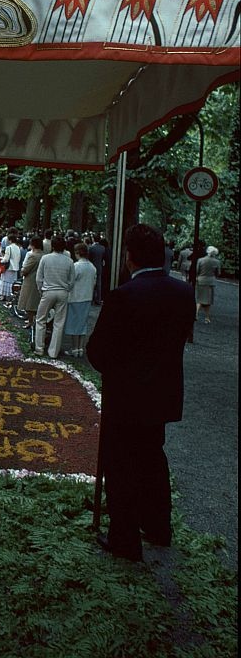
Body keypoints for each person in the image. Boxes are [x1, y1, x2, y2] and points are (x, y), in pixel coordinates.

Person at [86, 224, 195, 562]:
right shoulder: (182, 293)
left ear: (129, 257)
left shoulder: (123, 296)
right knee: (153, 459)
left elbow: (97, 353)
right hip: (162, 393)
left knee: (121, 467)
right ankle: (159, 528)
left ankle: (125, 540)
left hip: (126, 396)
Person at [34, 236, 75, 358]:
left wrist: (41, 290)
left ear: (52, 246)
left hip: (48, 291)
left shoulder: (45, 258)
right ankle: (53, 352)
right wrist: (67, 289)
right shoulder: (69, 261)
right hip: (62, 292)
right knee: (59, 323)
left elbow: (39, 277)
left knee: (41, 319)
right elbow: (72, 281)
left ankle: (39, 348)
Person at [64, 242, 97, 358]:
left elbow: (70, 282)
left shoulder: (76, 266)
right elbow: (94, 283)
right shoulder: (92, 267)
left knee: (73, 324)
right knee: (82, 324)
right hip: (87, 298)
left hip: (75, 297)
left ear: (77, 253)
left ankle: (74, 348)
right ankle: (80, 348)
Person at [17, 235, 43, 329]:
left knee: (29, 303)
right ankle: (32, 321)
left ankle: (30, 322)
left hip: (31, 281)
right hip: (39, 280)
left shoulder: (33, 256)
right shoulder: (44, 255)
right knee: (35, 302)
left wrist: (22, 271)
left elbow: (25, 269)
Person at [195, 246, 221, 324]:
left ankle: (195, 314)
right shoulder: (217, 262)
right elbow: (218, 273)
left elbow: (197, 270)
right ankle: (207, 317)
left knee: (199, 299)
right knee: (208, 301)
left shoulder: (200, 260)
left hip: (201, 280)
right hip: (210, 282)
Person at [0, 231, 21, 301]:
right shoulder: (18, 248)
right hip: (15, 267)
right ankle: (9, 296)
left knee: (4, 281)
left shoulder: (9, 248)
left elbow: (6, 259)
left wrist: (1, 259)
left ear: (10, 240)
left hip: (8, 267)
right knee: (11, 283)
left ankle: (3, 296)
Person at [88, 235, 105, 305]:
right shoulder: (102, 248)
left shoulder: (91, 248)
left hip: (92, 266)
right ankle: (98, 299)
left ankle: (91, 299)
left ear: (93, 239)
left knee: (91, 283)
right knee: (99, 283)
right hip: (99, 267)